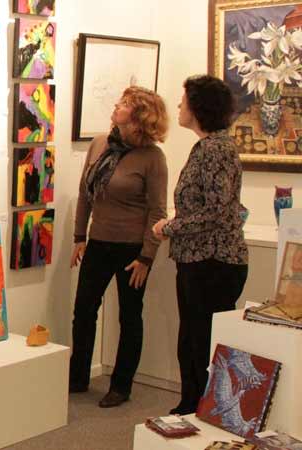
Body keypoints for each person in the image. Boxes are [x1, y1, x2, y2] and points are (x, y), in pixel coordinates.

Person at [152, 75, 249, 415]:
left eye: (184, 100)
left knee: (201, 341)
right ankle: (192, 407)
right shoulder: (209, 147)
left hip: (213, 262)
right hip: (200, 259)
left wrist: (169, 227)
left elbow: (218, 212)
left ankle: (203, 410)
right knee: (192, 339)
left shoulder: (216, 149)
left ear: (198, 107)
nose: (179, 105)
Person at [70, 86, 169, 408]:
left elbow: (157, 211)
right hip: (98, 242)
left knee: (129, 316)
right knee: (84, 310)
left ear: (139, 116)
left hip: (132, 251)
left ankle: (121, 385)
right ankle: (78, 377)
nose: (117, 105)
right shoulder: (100, 143)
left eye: (125, 103)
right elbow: (85, 194)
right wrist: (79, 237)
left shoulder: (152, 157)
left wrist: (147, 257)